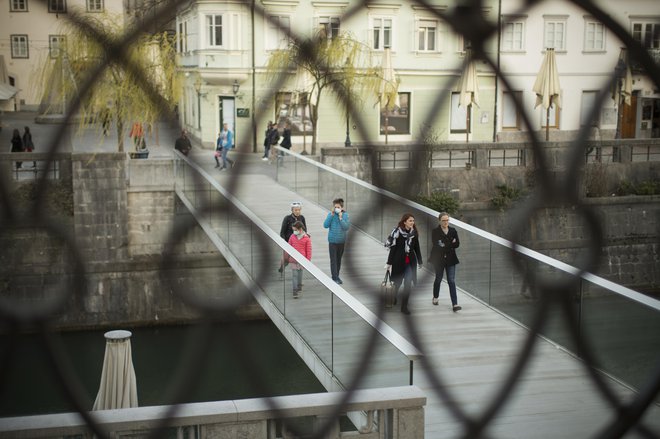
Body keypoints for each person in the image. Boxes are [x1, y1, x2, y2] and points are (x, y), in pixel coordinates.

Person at [385, 213, 423, 315]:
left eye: (413, 221)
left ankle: (404, 307)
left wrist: (420, 261)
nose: (412, 223)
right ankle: (393, 297)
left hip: (410, 263)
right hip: (398, 262)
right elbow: (393, 249)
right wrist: (389, 263)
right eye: (410, 221)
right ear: (404, 221)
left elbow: (417, 248)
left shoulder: (414, 233)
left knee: (408, 284)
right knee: (397, 283)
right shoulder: (397, 233)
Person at [428, 212, 461, 312]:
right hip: (439, 259)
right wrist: (450, 243)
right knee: (438, 278)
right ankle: (435, 297)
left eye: (447, 220)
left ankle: (455, 304)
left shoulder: (453, 230)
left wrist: (445, 244)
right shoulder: (435, 231)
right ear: (439, 221)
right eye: (444, 220)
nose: (446, 222)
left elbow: (457, 244)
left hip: (451, 259)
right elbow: (436, 244)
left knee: (451, 280)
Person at [323, 198, 350, 284]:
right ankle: (335, 277)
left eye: (338, 207)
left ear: (342, 207)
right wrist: (331, 215)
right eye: (335, 207)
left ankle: (336, 276)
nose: (336, 208)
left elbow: (346, 227)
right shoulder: (331, 214)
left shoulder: (345, 215)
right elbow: (325, 225)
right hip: (332, 241)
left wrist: (341, 218)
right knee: (333, 260)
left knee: (338, 259)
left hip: (341, 241)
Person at [279, 201, 307, 273]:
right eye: (296, 210)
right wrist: (285, 242)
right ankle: (282, 267)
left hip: (299, 242)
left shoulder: (302, 218)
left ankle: (297, 276)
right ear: (292, 210)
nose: (297, 211)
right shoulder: (287, 218)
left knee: (298, 260)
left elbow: (305, 230)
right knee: (286, 259)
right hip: (289, 242)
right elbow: (282, 232)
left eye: (299, 210)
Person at [287, 221, 311, 299]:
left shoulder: (306, 238)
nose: (294, 231)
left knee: (300, 273)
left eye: (295, 229)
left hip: (302, 260)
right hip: (293, 259)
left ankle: (299, 285)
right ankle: (295, 290)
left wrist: (308, 261)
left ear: (300, 229)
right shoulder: (292, 236)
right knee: (294, 275)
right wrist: (287, 257)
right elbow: (288, 246)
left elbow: (309, 250)